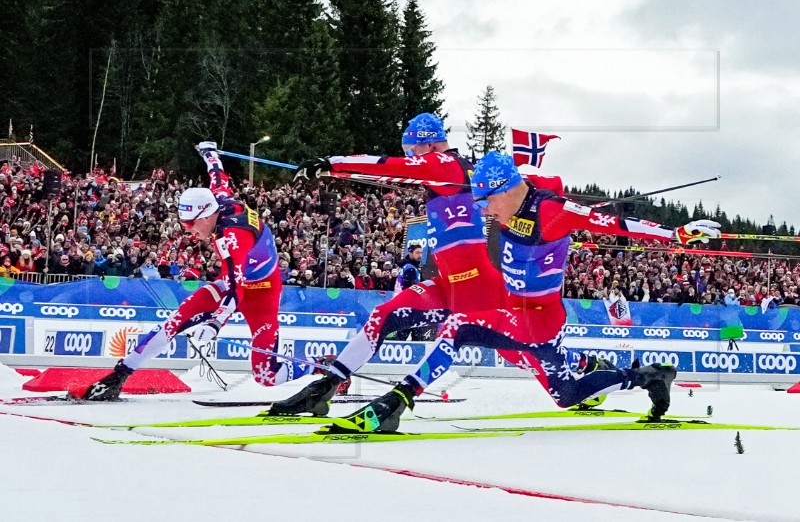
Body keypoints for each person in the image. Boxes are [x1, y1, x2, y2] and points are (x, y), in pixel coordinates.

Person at [329, 152, 722, 431]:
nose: (483, 211)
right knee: (566, 394)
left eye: (486, 202)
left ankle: (395, 403)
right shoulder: (515, 195)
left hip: (537, 320)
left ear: (506, 190)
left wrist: (675, 233)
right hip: (519, 314)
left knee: (457, 327)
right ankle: (649, 377)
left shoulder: (552, 213)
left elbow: (614, 224)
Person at [270, 113, 519, 415]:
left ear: (426, 145)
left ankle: (583, 368)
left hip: (477, 285)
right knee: (383, 315)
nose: (409, 157)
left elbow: (389, 165)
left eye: (410, 150)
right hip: (450, 284)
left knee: (527, 355)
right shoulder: (447, 172)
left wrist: (332, 162)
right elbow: (396, 172)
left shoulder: (444, 163)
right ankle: (325, 387)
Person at [77, 141, 312, 400]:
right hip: (231, 284)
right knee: (175, 321)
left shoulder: (233, 236)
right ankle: (118, 376)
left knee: (267, 376)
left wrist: (215, 323)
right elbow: (218, 175)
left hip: (262, 292)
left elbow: (238, 289)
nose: (189, 231)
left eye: (190, 224)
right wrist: (210, 153)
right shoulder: (217, 199)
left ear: (205, 215)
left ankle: (317, 365)